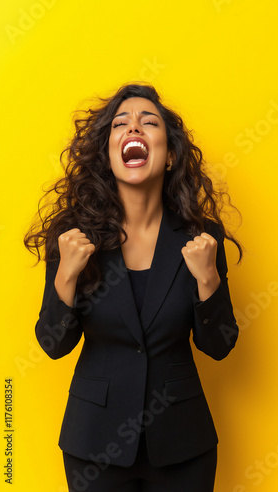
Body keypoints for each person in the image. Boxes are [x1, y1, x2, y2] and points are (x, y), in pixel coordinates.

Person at [24, 82, 242, 492]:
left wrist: (208, 278)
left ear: (171, 153)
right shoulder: (73, 237)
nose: (134, 129)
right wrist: (66, 275)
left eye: (149, 122)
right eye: (121, 124)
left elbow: (219, 345)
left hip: (183, 445)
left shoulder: (201, 238)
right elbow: (53, 344)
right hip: (94, 446)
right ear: (109, 156)